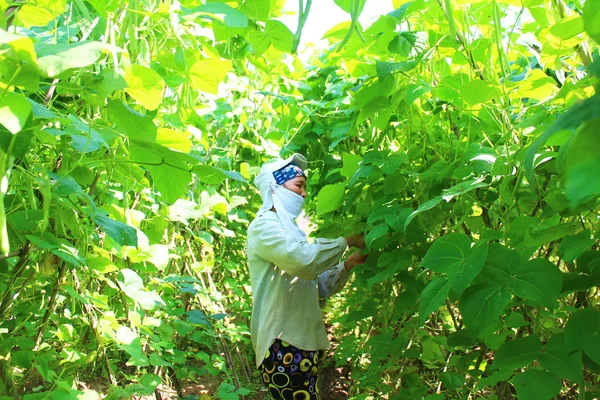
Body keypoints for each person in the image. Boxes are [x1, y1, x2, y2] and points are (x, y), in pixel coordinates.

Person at [246, 153, 367, 400]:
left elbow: (313, 286)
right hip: (282, 344)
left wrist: (347, 265)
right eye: (298, 185)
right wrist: (347, 241)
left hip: (303, 342)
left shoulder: (291, 231)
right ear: (274, 186)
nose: (303, 194)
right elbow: (304, 261)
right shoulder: (264, 226)